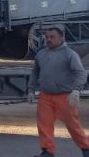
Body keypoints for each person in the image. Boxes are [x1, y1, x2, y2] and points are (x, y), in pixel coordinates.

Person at [28, 25, 89, 157]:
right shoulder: (41, 54)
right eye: (47, 37)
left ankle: (86, 148)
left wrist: (76, 90)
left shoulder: (70, 54)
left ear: (61, 38)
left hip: (65, 97)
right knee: (44, 124)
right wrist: (31, 90)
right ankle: (47, 151)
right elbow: (34, 73)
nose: (49, 39)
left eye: (52, 37)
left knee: (73, 126)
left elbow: (81, 73)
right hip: (45, 96)